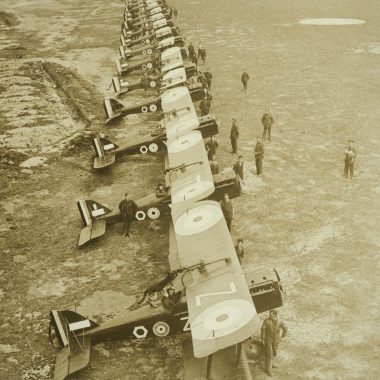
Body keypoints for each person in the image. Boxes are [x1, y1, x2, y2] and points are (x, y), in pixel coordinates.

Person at [261, 310, 288, 377]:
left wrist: (283, 336)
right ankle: (268, 369)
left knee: (275, 352)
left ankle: (271, 363)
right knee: (269, 354)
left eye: (271, 315)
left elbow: (285, 327)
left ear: (275, 315)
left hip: (276, 340)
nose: (269, 316)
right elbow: (263, 329)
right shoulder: (266, 321)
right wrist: (262, 338)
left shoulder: (280, 321)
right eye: (269, 315)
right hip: (268, 340)